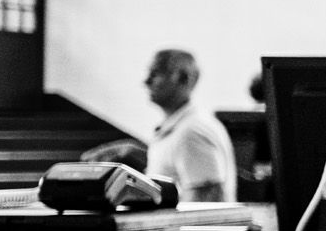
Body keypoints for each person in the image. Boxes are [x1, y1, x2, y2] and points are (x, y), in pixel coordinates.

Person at [83, 49, 237, 203]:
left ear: (184, 78)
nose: (146, 81)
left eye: (155, 73)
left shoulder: (192, 132)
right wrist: (134, 151)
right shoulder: (183, 127)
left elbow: (207, 202)